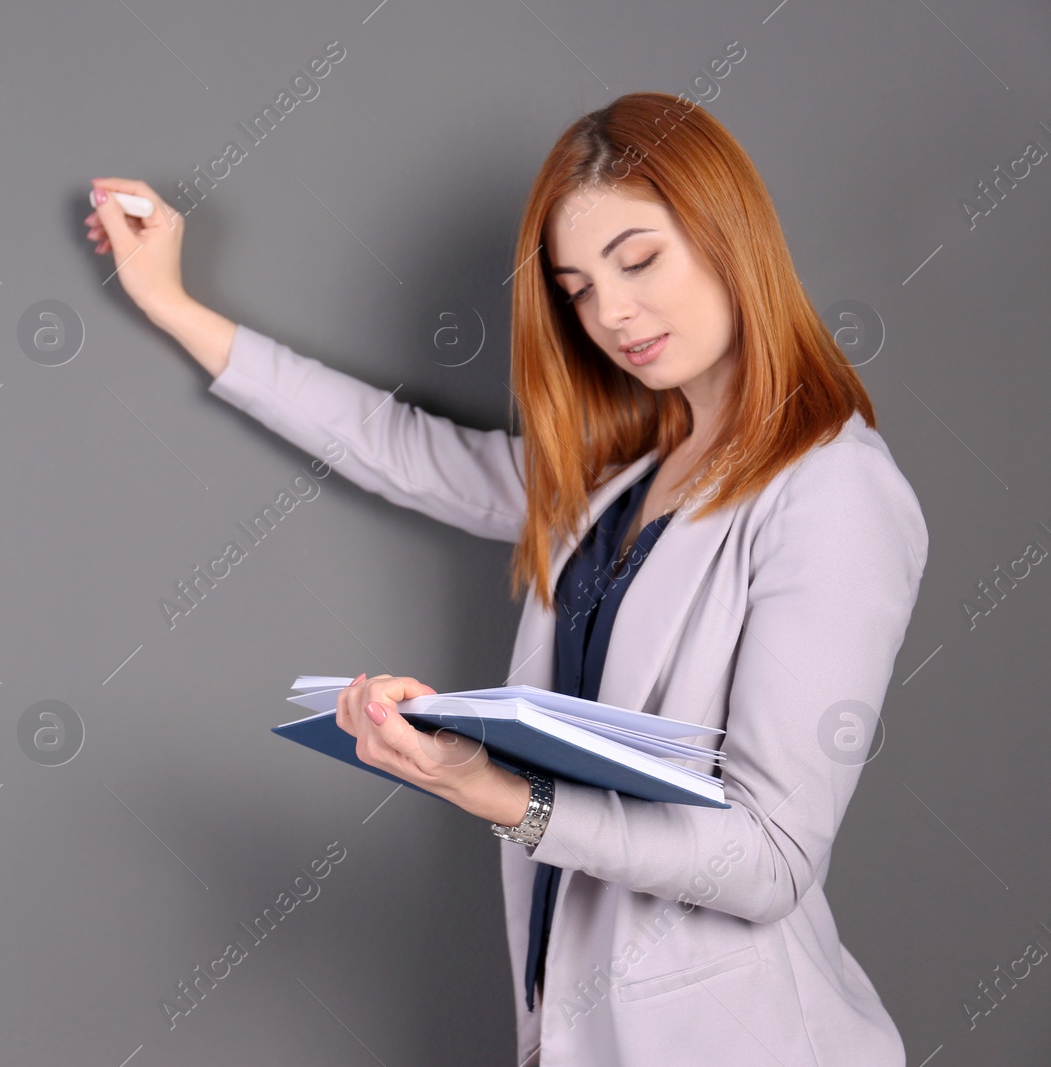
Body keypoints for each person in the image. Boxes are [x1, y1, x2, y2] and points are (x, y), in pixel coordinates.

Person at [85, 91, 927, 1067]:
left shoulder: (833, 490)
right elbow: (396, 446)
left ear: (729, 232)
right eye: (575, 287)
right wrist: (174, 306)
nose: (611, 312)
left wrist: (502, 793)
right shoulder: (619, 478)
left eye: (640, 260)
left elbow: (771, 858)